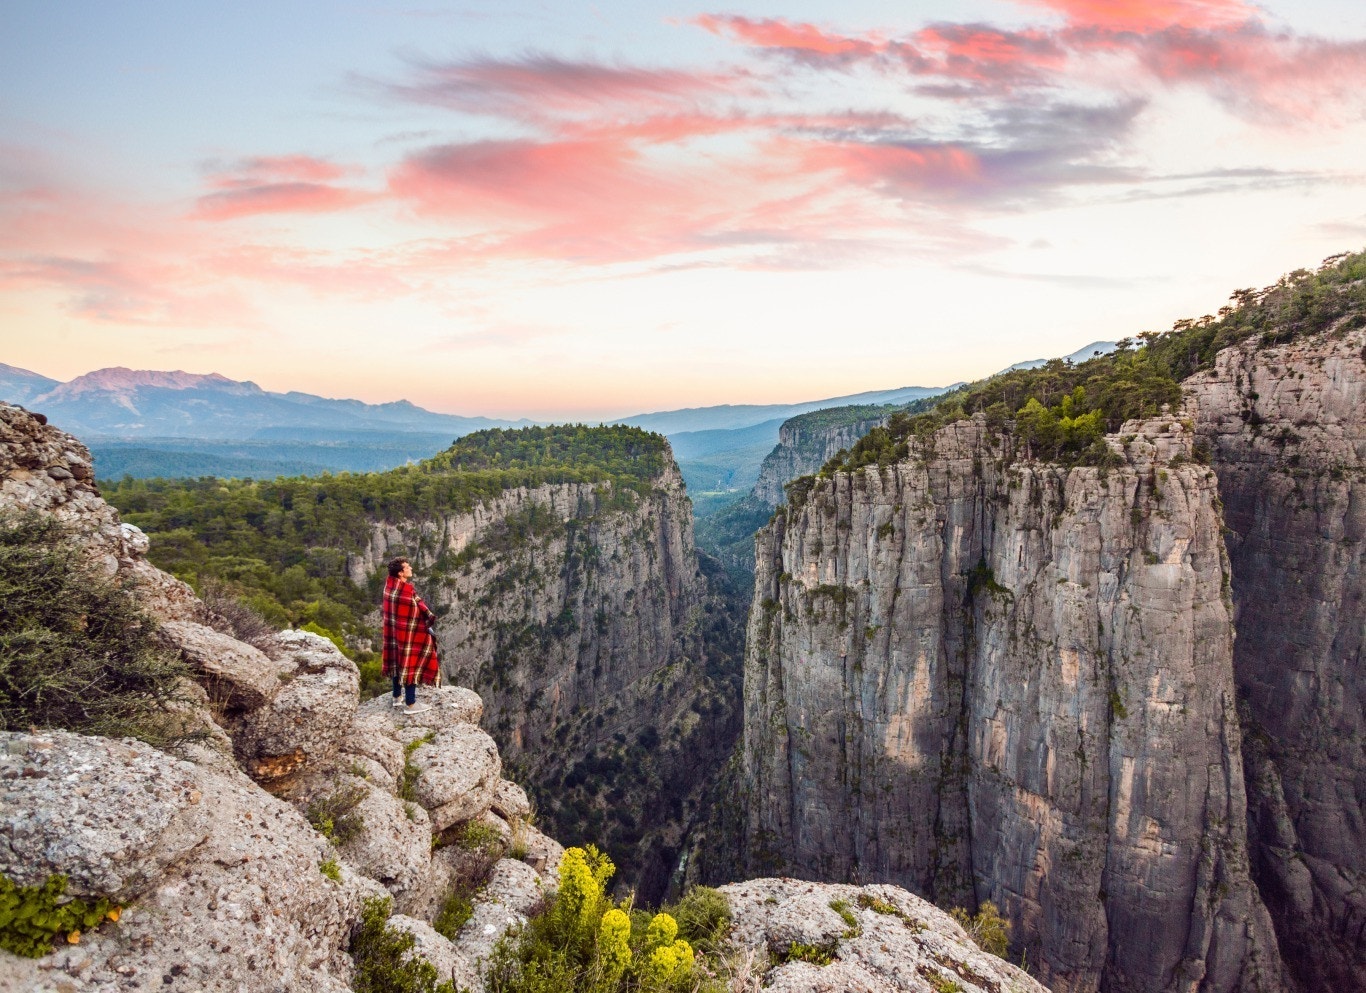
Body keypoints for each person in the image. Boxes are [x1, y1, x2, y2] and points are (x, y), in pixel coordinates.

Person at [381, 556, 441, 715]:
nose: (411, 569)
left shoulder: (389, 587)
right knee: (410, 663)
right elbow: (417, 615)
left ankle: (396, 696)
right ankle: (411, 704)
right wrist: (427, 626)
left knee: (396, 661)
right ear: (401, 573)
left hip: (393, 634)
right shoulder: (405, 592)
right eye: (407, 567)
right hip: (408, 634)